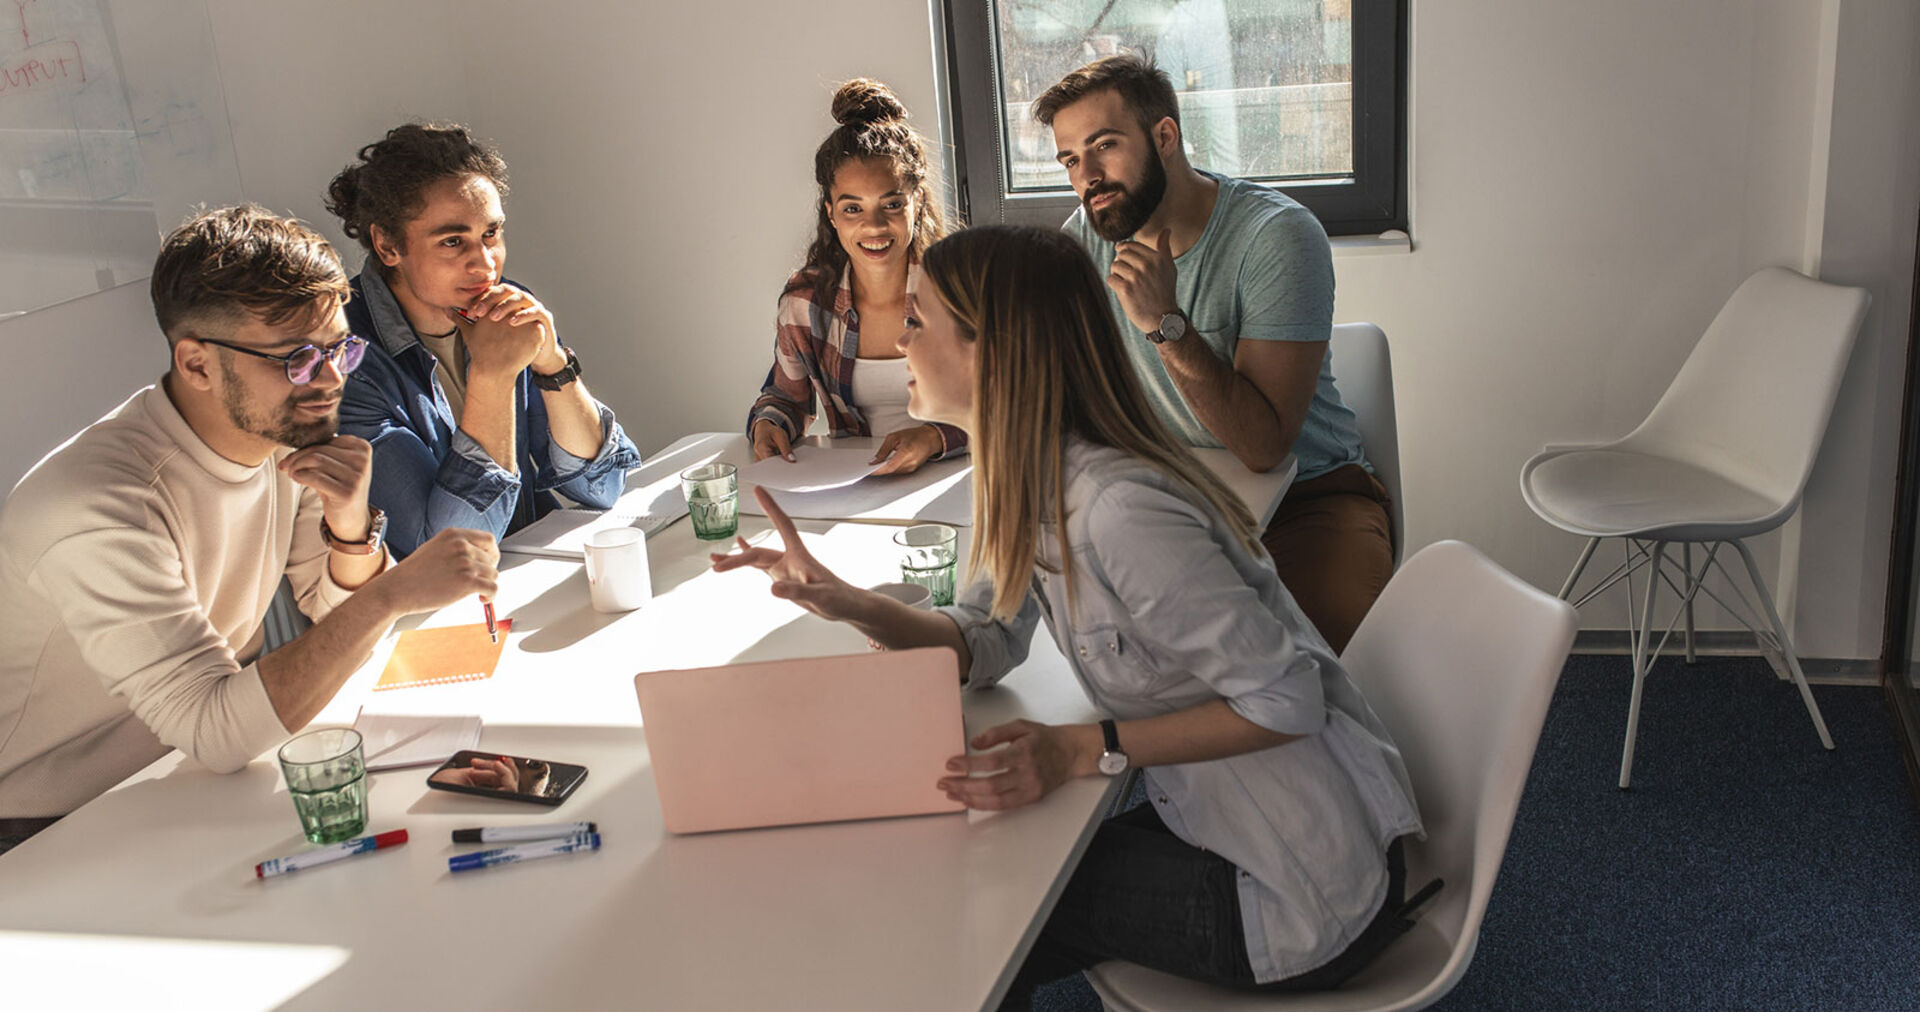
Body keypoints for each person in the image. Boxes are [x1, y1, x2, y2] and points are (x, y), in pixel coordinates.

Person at [713, 226, 1421, 1006]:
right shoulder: (1025, 471)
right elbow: (984, 640)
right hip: (1245, 825)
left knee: (966, 917)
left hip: (1304, 894)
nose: (901, 342)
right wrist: (846, 600)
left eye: (918, 322)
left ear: (990, 350)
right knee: (965, 871)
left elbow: (1288, 700)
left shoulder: (1116, 512)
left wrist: (1082, 748)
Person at [0, 206, 502, 844]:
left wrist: (351, 528)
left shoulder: (278, 435)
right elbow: (216, 730)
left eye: (339, 349)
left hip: (186, 778)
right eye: (294, 359)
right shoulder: (94, 508)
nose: (328, 381)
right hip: (44, 827)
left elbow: (332, 628)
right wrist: (390, 593)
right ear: (198, 364)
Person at [1035, 54, 1392, 652]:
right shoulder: (1083, 242)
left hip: (1308, 501)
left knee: (1313, 672)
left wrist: (1165, 323)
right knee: (1097, 650)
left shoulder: (1275, 236)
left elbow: (1264, 447)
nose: (1086, 176)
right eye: (1071, 159)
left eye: (1104, 146)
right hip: (1170, 504)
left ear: (1165, 136)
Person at [327, 123, 640, 558]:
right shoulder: (343, 359)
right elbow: (454, 549)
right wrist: (493, 378)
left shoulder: (504, 309)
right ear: (386, 245)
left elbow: (602, 486)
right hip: (433, 616)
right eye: (453, 242)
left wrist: (553, 366)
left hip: (526, 577)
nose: (484, 264)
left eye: (491, 234)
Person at [746, 79, 964, 475]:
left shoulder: (962, 288)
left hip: (955, 481)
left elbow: (1010, 404)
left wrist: (933, 438)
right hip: (854, 484)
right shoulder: (805, 301)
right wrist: (767, 424)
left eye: (892, 204)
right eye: (852, 210)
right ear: (830, 213)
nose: (874, 226)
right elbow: (785, 397)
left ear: (917, 202)